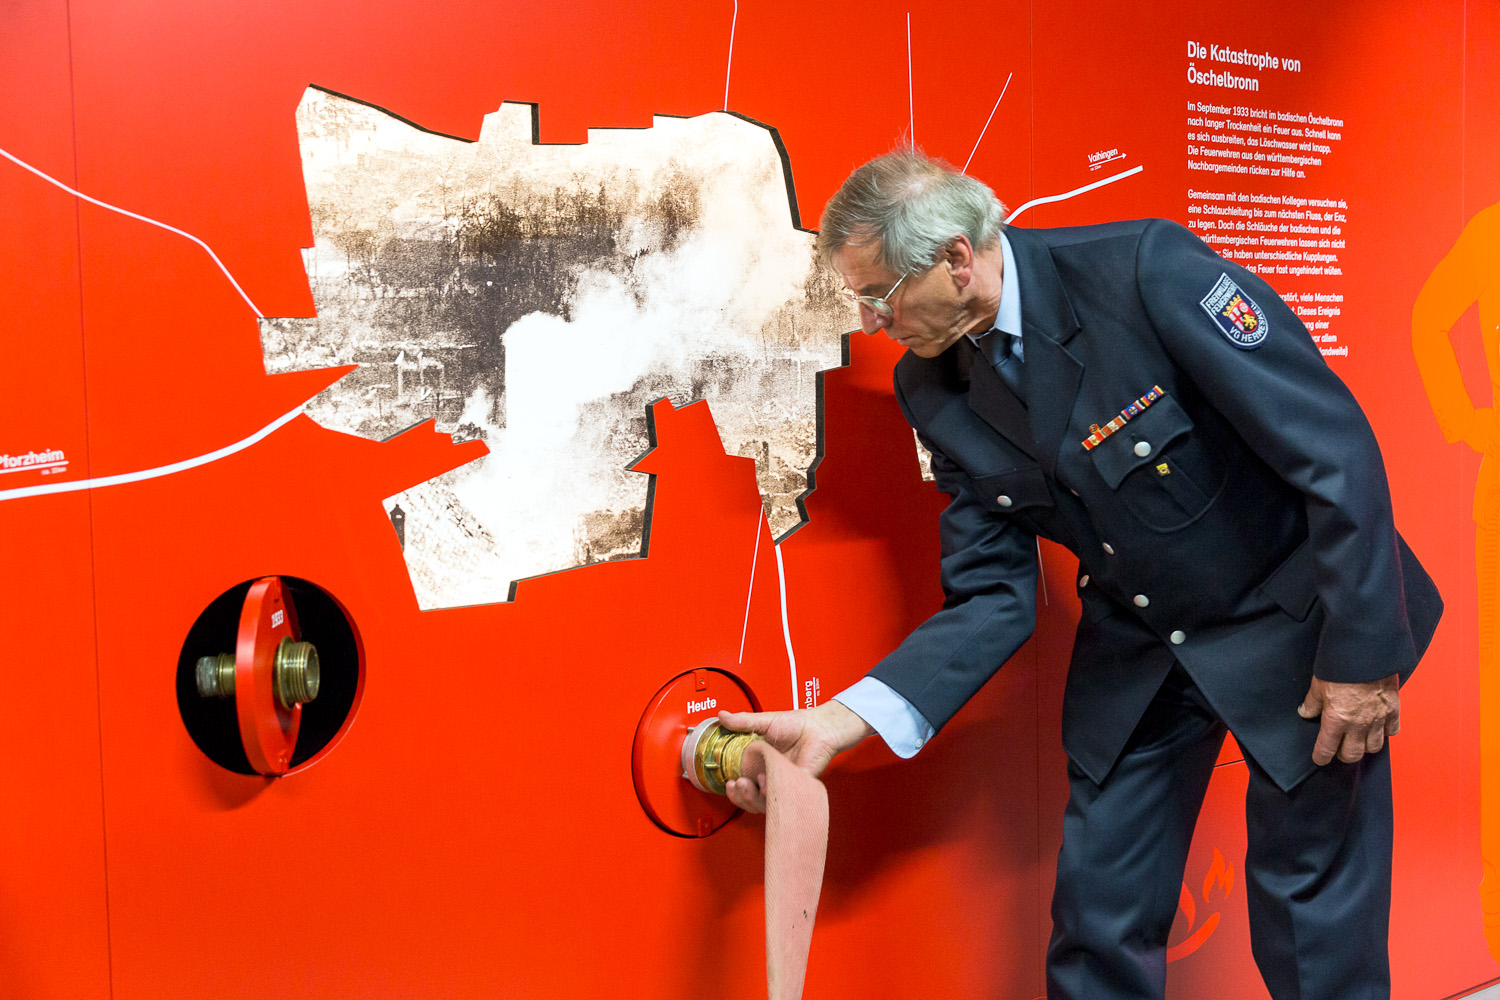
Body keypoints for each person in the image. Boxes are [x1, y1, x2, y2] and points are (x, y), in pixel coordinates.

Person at [719, 149, 1442, 1000]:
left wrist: (1363, 657)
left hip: (1293, 628)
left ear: (956, 257)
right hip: (1142, 648)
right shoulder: (934, 386)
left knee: (1310, 919)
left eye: (881, 295)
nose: (875, 322)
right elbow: (991, 593)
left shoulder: (1142, 271)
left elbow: (1332, 447)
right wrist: (845, 720)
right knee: (1098, 913)